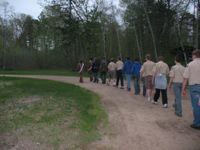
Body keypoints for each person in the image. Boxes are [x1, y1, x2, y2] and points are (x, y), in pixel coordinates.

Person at [182, 50, 200, 130]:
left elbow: (185, 78)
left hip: (195, 87)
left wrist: (183, 89)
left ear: (194, 55)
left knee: (196, 106)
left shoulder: (190, 65)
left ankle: (197, 123)